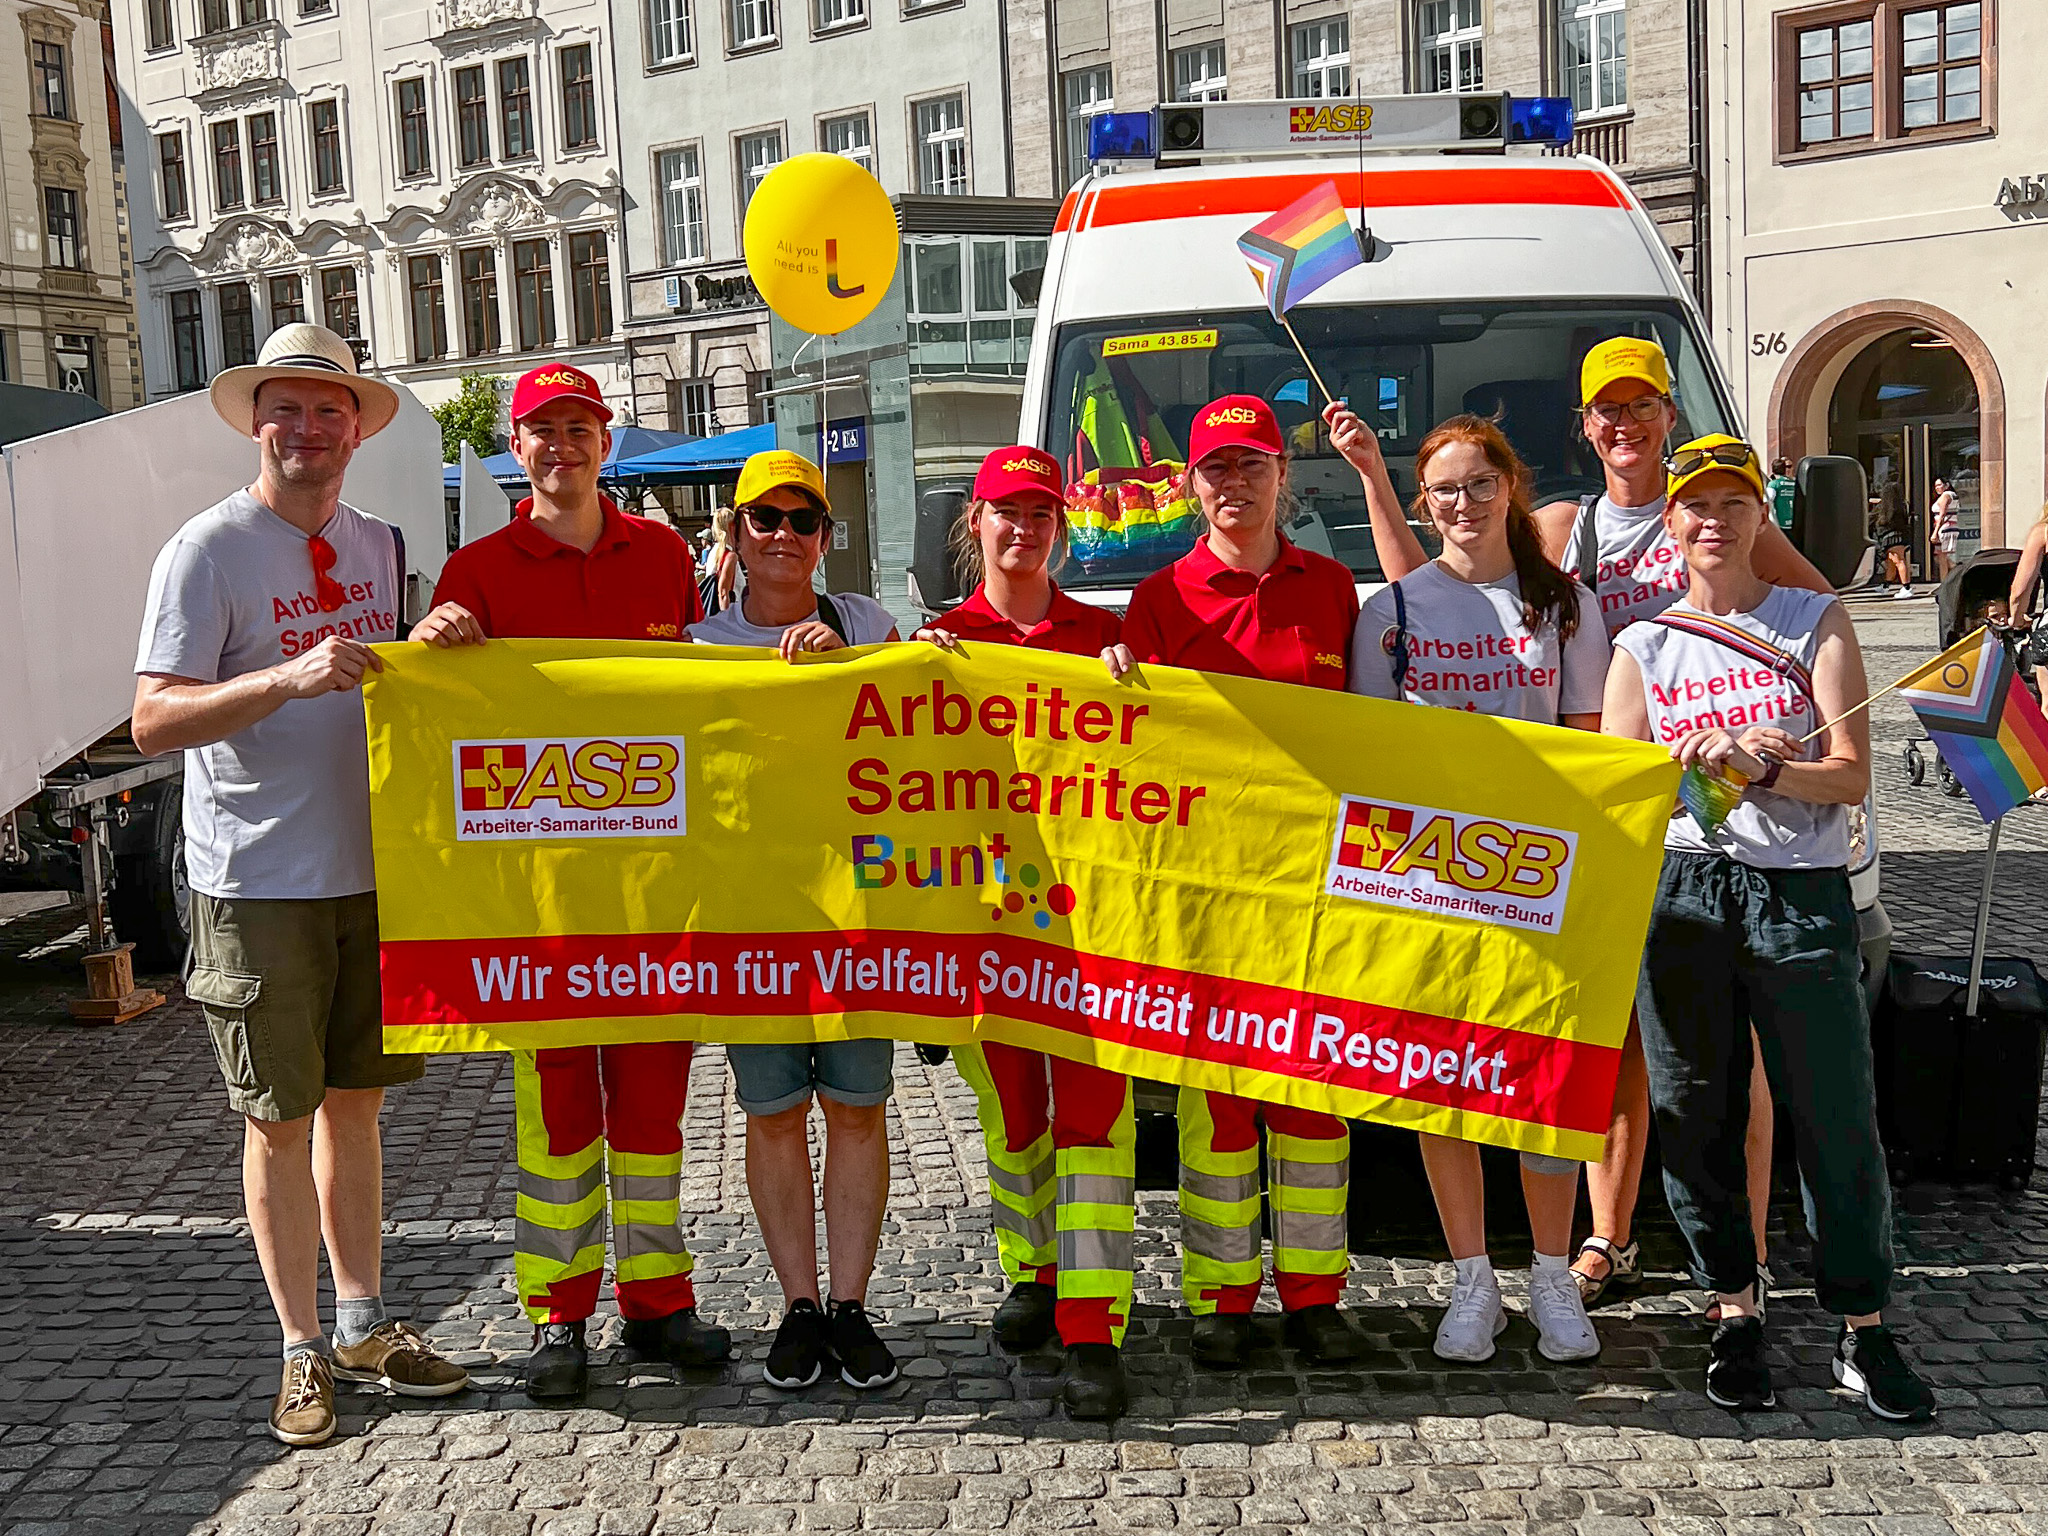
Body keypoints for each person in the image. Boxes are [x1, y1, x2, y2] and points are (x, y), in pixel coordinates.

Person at [132, 324, 469, 1447]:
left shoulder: (380, 542)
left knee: (357, 1109)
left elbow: (390, 673)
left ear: (356, 430)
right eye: (287, 408)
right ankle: (300, 1348)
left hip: (371, 870)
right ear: (257, 420)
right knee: (275, 1121)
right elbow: (152, 718)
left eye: (329, 411)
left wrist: (431, 636)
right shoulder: (207, 549)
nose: (308, 429)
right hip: (255, 879)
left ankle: (367, 1321)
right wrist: (285, 673)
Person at [407, 363, 724, 1401]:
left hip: (651, 891)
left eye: (579, 427)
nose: (563, 447)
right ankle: (556, 1312)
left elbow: (700, 698)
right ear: (519, 446)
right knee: (555, 1114)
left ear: (606, 440)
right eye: (543, 431)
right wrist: (430, 643)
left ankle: (657, 1299)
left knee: (653, 1107)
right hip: (538, 898)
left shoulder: (665, 554)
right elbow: (435, 711)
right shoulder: (479, 567)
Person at [1603, 433, 1933, 1422]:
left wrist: (1765, 770)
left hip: (1796, 891)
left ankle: (1860, 1326)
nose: (1713, 521)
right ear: (1669, 526)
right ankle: (1731, 1307)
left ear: (1758, 518)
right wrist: (1692, 761)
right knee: (1692, 1110)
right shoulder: (1641, 646)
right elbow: (1617, 792)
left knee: (1833, 1112)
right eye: (1693, 506)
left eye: (1731, 504)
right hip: (1681, 894)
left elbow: (1850, 775)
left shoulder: (1811, 619)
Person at [1531, 337, 1831, 1311]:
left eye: (1639, 406)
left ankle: (1738, 1257)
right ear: (1584, 427)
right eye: (1604, 410)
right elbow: (1469, 598)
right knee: (1616, 1037)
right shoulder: (1563, 529)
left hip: (1720, 808)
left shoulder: (1710, 511)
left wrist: (1757, 724)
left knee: (1726, 1045)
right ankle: (1607, 1239)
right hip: (1615, 800)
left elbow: (1812, 611)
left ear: (1669, 415)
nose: (1622, 424)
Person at [1339, 411, 1609, 1366]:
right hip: (1432, 883)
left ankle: (1548, 1274)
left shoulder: (1568, 605)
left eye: (1480, 484)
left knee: (1541, 1085)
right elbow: (1373, 764)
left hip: (1541, 882)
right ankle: (1471, 1279)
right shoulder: (1392, 612)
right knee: (1442, 1085)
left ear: (1511, 489)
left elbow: (1590, 747)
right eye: (1445, 489)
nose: (1463, 503)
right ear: (1424, 501)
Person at [1110, 395, 1367, 1368]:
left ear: (1280, 476)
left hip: (1315, 888)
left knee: (1312, 1104)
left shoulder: (1332, 590)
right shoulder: (1157, 601)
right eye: (1215, 468)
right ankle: (1219, 1294)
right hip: (1209, 889)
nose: (1233, 483)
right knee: (1216, 1107)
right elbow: (1135, 753)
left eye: (1251, 464)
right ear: (1189, 483)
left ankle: (1312, 1295)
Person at [915, 445, 1135, 1419]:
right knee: (1015, 1121)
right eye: (1006, 513)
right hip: (989, 921)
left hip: (1088, 927)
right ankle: (1033, 1274)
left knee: (1089, 1126)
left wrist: (1136, 688)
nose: (1023, 529)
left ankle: (1092, 1328)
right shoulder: (940, 641)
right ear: (976, 524)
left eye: (1040, 513)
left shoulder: (1102, 639)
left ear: (1059, 526)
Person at [687, 448, 904, 1391]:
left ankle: (851, 1305)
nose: (783, 535)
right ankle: (798, 1306)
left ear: (826, 538)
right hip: (750, 917)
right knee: (773, 1116)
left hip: (860, 911)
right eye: (763, 519)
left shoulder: (870, 623)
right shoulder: (694, 652)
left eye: (801, 521)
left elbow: (929, 713)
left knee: (857, 1109)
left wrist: (852, 663)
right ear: (735, 533)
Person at [1930, 479, 1959, 583]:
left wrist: (1935, 532)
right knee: (1941, 557)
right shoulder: (1952, 495)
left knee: (1942, 558)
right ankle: (1945, 582)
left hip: (1945, 529)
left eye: (1939, 485)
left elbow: (1942, 515)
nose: (1937, 488)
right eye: (1935, 486)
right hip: (1949, 527)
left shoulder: (1945, 496)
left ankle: (1956, 573)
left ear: (1946, 485)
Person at [1765, 458, 1797, 534]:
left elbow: (1768, 501)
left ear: (1773, 470)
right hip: (1793, 522)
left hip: (1780, 524)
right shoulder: (1794, 483)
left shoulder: (1774, 484)